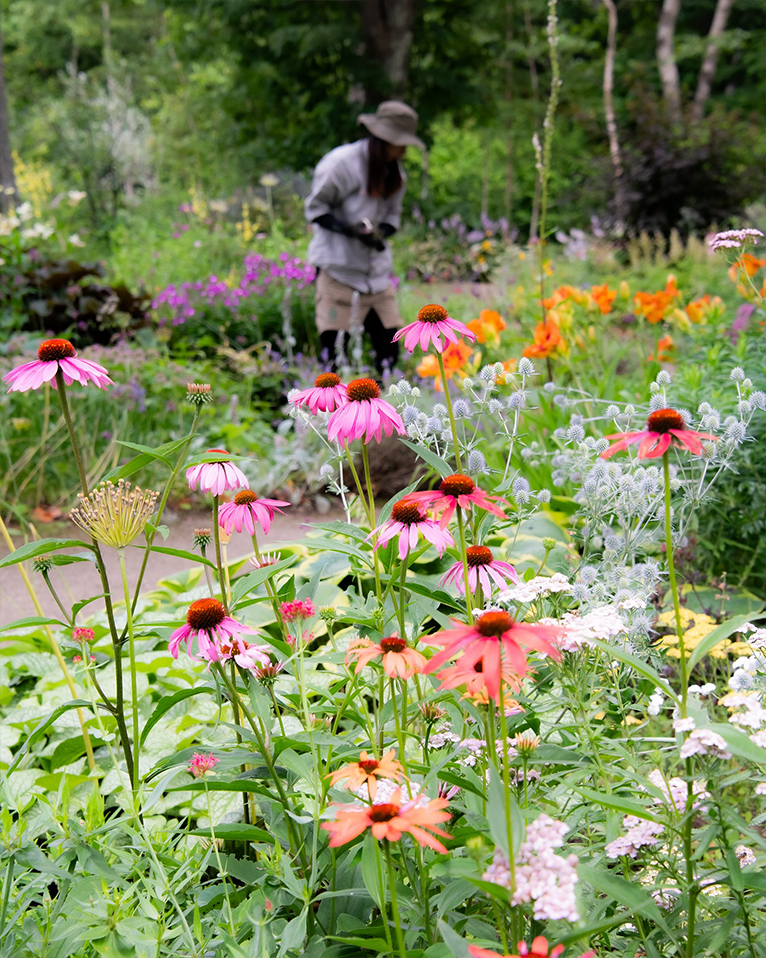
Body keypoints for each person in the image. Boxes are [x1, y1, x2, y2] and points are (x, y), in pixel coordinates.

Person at [304, 100, 424, 375]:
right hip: (338, 270)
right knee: (334, 355)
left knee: (389, 351)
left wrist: (379, 233)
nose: (404, 150)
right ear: (383, 138)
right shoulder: (340, 164)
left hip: (376, 276)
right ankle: (335, 415)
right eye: (400, 143)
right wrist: (349, 229)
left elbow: (393, 218)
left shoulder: (395, 174)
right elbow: (315, 209)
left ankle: (385, 411)